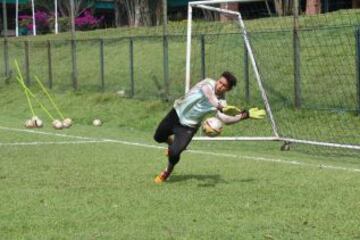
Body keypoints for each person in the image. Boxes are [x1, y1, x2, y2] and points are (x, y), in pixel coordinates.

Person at [153, 71, 251, 183]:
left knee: (175, 153)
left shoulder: (222, 103)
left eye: (224, 86)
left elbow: (225, 119)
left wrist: (242, 116)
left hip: (189, 127)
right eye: (220, 82)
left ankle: (166, 172)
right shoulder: (208, 83)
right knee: (158, 137)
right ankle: (171, 143)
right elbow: (209, 94)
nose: (220, 86)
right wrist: (219, 106)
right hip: (176, 114)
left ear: (227, 90)